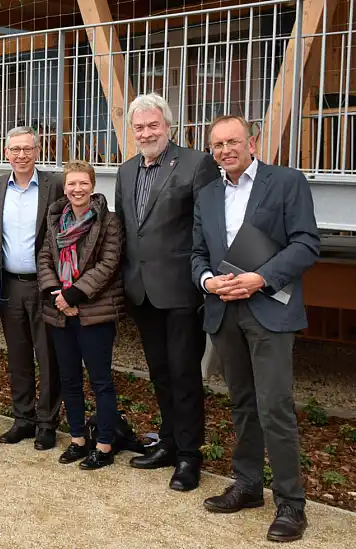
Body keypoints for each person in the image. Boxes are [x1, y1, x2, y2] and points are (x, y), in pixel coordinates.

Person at [192, 115, 319, 542]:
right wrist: (207, 280)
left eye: (232, 141)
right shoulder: (208, 194)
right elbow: (197, 253)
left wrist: (261, 277)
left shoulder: (286, 182)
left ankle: (291, 504)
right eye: (217, 145)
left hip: (269, 308)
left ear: (252, 141)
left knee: (275, 407)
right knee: (242, 403)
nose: (225, 150)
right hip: (224, 310)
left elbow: (306, 243)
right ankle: (248, 485)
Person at [114, 93, 221, 491]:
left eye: (153, 125)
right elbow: (127, 230)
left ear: (168, 125)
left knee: (184, 374)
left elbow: (207, 226)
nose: (146, 133)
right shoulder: (126, 172)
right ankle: (170, 442)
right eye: (139, 127)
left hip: (181, 290)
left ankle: (191, 457)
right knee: (160, 373)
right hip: (141, 292)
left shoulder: (196, 163)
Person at [38, 160, 124, 470]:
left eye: (83, 183)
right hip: (60, 311)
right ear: (65, 187)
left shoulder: (109, 221)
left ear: (92, 185)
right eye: (71, 184)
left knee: (101, 381)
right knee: (70, 379)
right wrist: (58, 296)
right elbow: (45, 258)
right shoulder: (56, 220)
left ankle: (103, 444)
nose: (77, 189)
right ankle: (77, 439)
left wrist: (74, 294)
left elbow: (109, 264)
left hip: (94, 313)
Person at [0, 126, 63, 451]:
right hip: (9, 285)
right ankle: (23, 419)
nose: (21, 155)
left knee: (48, 357)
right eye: (15, 149)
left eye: (27, 148)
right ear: (6, 153)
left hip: (45, 285)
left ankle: (47, 423)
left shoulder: (54, 184)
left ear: (37, 151)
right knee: (17, 357)